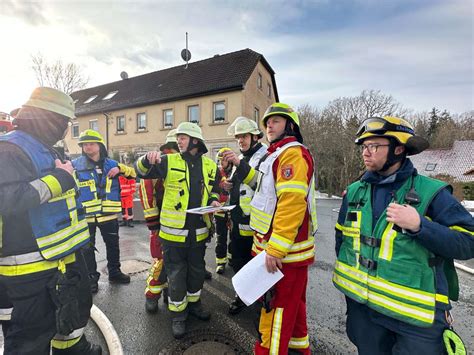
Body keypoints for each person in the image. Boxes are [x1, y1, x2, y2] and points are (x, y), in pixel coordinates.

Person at [333, 116, 474, 354]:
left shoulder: (432, 192)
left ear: (399, 149)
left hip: (415, 321)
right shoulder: (354, 192)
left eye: (374, 146)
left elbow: (469, 243)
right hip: (365, 313)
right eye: (364, 147)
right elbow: (342, 243)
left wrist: (420, 226)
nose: (366, 153)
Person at [0, 87, 101, 354]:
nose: (65, 129)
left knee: (70, 310)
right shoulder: (10, 149)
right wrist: (61, 179)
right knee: (31, 339)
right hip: (30, 268)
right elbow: (7, 199)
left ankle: (73, 348)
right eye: (65, 123)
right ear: (51, 119)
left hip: (58, 258)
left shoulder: (41, 148)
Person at [223, 103, 317, 354]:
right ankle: (300, 349)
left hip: (283, 255)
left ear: (291, 126)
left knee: (274, 316)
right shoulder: (274, 154)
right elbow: (261, 185)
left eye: (276, 121)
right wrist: (241, 170)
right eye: (267, 122)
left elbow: (291, 203)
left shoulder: (292, 154)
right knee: (293, 310)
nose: (269, 126)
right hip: (279, 252)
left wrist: (275, 248)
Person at [135, 122, 221, 338]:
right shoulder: (168, 161)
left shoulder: (210, 165)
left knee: (196, 273)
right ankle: (178, 315)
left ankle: (194, 306)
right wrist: (145, 159)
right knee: (176, 276)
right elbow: (141, 172)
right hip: (172, 236)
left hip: (199, 234)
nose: (178, 141)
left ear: (195, 141)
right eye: (178, 138)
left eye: (182, 138)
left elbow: (214, 189)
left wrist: (214, 200)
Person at [72, 129, 135, 293]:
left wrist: (121, 169)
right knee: (87, 250)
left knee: (113, 246)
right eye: (85, 144)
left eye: (91, 144)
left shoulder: (112, 164)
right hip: (87, 216)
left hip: (109, 215)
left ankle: (114, 272)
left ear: (99, 145)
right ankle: (91, 279)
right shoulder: (75, 165)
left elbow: (134, 173)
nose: (87, 147)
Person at [223, 117, 268, 315]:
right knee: (237, 260)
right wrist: (226, 184)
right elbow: (238, 185)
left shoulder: (266, 156)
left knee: (256, 264)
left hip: (255, 223)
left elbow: (259, 184)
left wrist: (236, 163)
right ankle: (242, 296)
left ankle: (261, 300)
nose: (240, 141)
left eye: (244, 136)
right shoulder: (241, 158)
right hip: (237, 220)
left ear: (255, 136)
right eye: (238, 137)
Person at [139, 129, 178, 313]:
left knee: (177, 264)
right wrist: (154, 224)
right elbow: (147, 194)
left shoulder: (189, 164)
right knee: (161, 261)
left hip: (180, 224)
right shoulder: (159, 164)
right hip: (162, 223)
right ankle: (152, 294)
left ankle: (169, 293)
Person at [214, 147, 234, 275]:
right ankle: (220, 262)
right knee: (220, 238)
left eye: (224, 161)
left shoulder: (236, 171)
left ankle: (232, 258)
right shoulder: (217, 173)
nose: (221, 164)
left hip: (233, 211)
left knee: (234, 237)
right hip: (220, 211)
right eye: (220, 161)